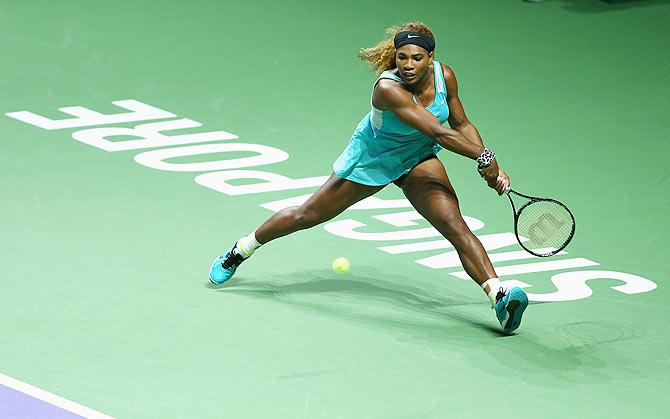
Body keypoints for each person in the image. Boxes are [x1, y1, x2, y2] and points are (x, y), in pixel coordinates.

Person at [209, 22, 528, 334]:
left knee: (454, 224)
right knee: (306, 214)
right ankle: (240, 250)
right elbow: (438, 131)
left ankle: (498, 295)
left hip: (417, 159)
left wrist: (490, 164)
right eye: (402, 57)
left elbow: (461, 123)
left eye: (417, 58)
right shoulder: (388, 89)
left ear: (431, 57)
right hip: (372, 160)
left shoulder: (445, 77)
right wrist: (484, 157)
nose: (408, 65)